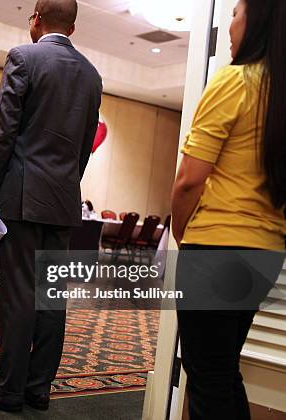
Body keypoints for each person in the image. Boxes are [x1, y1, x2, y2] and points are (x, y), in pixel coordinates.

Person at [0, 0, 102, 412]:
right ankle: (39, 388)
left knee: (20, 294)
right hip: (63, 200)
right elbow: (85, 145)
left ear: (36, 20)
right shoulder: (92, 75)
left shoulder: (24, 57)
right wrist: (66, 184)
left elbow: (4, 133)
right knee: (50, 295)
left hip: (22, 196)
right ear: (72, 30)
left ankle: (7, 389)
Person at [171, 0, 286, 418]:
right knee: (222, 373)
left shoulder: (235, 81)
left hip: (216, 246)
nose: (230, 23)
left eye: (235, 13)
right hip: (266, 253)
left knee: (206, 376)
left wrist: (181, 233)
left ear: (255, 21)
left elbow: (189, 180)